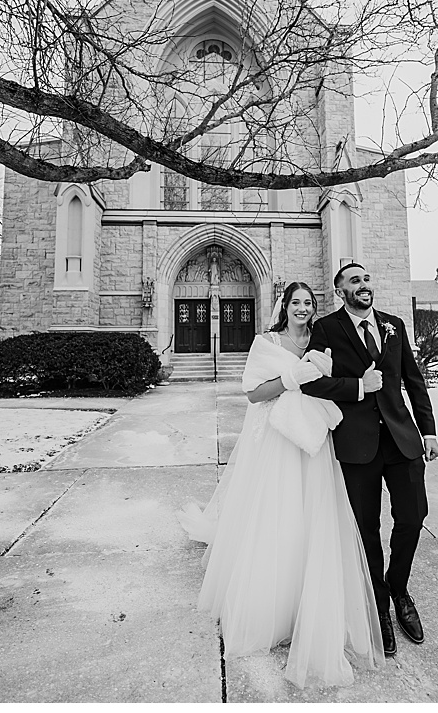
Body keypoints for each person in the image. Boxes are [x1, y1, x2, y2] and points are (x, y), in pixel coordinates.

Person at [179, 281, 383, 687]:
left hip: (313, 442)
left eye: (309, 303)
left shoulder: (323, 339)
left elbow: (337, 382)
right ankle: (272, 608)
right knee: (278, 517)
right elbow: (254, 394)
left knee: (312, 520)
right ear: (284, 306)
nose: (303, 309)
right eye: (296, 303)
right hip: (276, 441)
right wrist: (292, 376)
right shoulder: (266, 342)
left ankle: (311, 603)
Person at [299, 262, 438, 656]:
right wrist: (358, 387)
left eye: (366, 279)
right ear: (339, 289)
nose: (363, 285)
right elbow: (312, 381)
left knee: (413, 516)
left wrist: (428, 430)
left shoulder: (394, 324)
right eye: (354, 280)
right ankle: (378, 603)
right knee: (366, 527)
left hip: (402, 439)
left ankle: (399, 586)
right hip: (357, 445)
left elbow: (414, 380)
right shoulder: (326, 329)